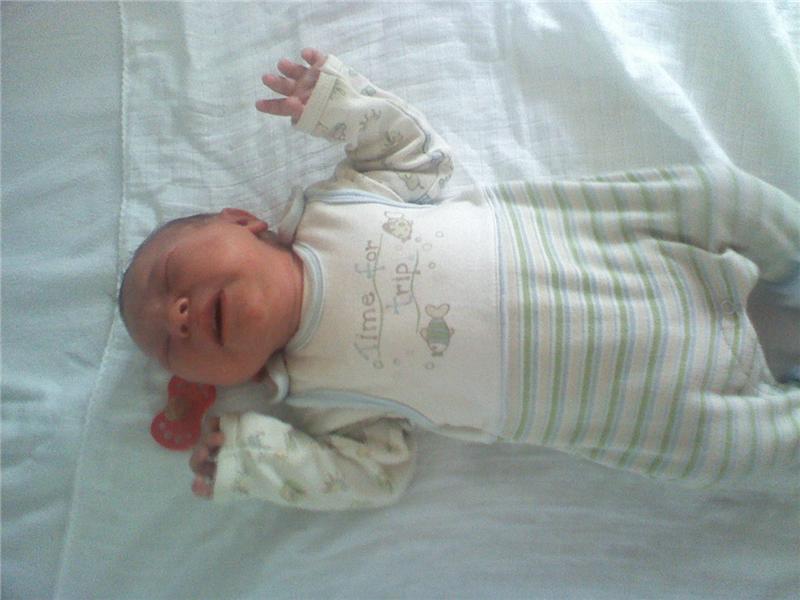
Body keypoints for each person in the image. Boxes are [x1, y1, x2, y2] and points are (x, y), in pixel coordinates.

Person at [119, 48, 800, 510]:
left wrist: (337, 103)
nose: (177, 314)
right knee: (730, 454)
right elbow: (374, 475)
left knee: (718, 194)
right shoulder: (320, 399)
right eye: (172, 346)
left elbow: (415, 153)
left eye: (171, 277)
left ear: (242, 221)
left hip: (591, 249)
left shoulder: (338, 204)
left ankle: (790, 260)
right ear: (222, 379)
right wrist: (261, 458)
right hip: (607, 396)